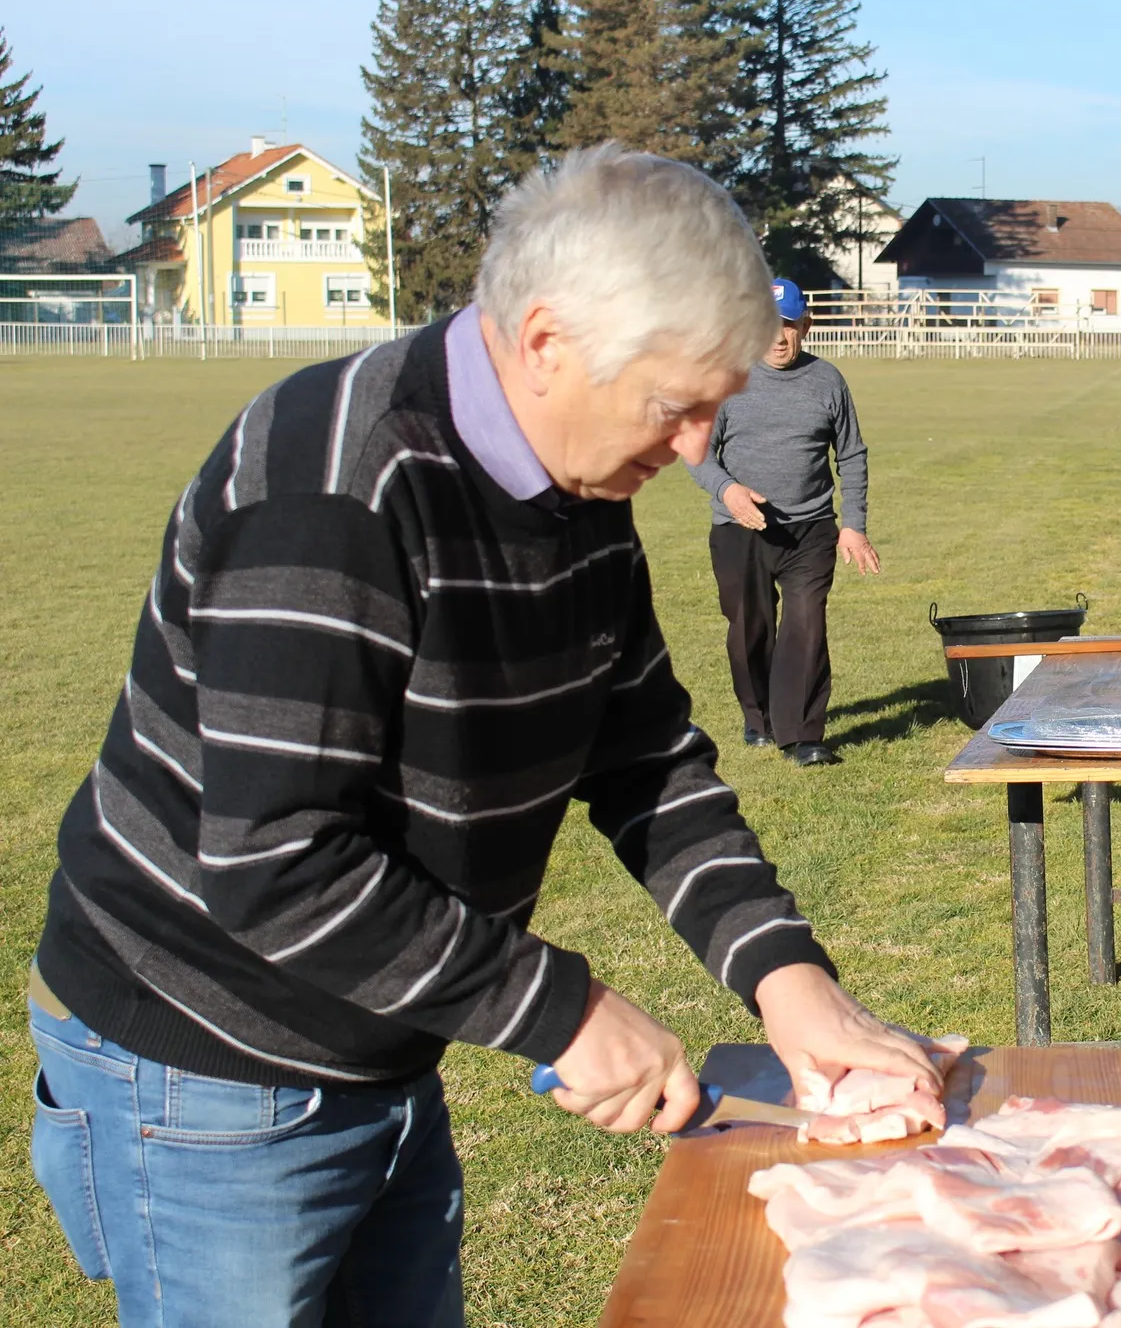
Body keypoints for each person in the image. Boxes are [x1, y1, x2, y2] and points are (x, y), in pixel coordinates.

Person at [25, 144, 939, 1326]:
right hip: (205, 1064)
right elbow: (273, 863)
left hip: (386, 1037)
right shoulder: (335, 484)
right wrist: (564, 1010)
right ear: (546, 341)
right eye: (676, 407)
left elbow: (647, 762)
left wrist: (786, 979)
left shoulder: (582, 491)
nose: (698, 451)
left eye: (716, 407)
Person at [686, 278, 876, 767]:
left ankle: (804, 735)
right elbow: (698, 451)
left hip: (810, 528)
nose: (778, 336)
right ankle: (760, 719)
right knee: (750, 626)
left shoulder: (827, 381)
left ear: (805, 326)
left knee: (806, 624)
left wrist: (852, 524)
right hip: (739, 527)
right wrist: (729, 490)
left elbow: (851, 454)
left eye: (788, 325)